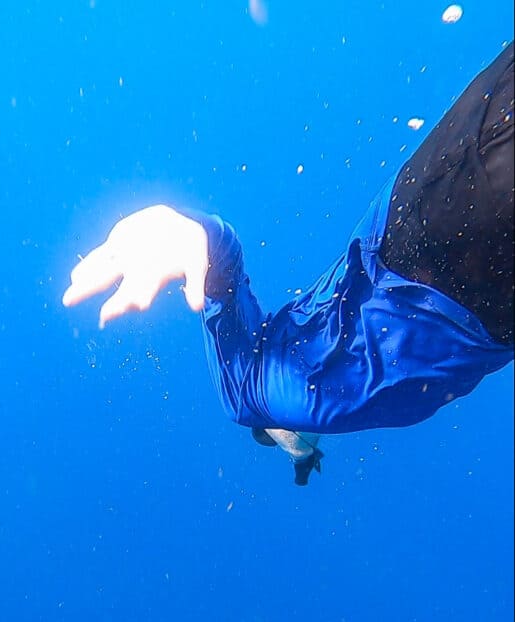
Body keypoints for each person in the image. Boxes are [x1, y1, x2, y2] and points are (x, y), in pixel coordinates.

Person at [63, 43, 514, 486]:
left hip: (427, 239)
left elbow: (223, 273)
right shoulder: (307, 397)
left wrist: (187, 232)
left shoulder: (252, 392)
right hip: (483, 302)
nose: (305, 448)